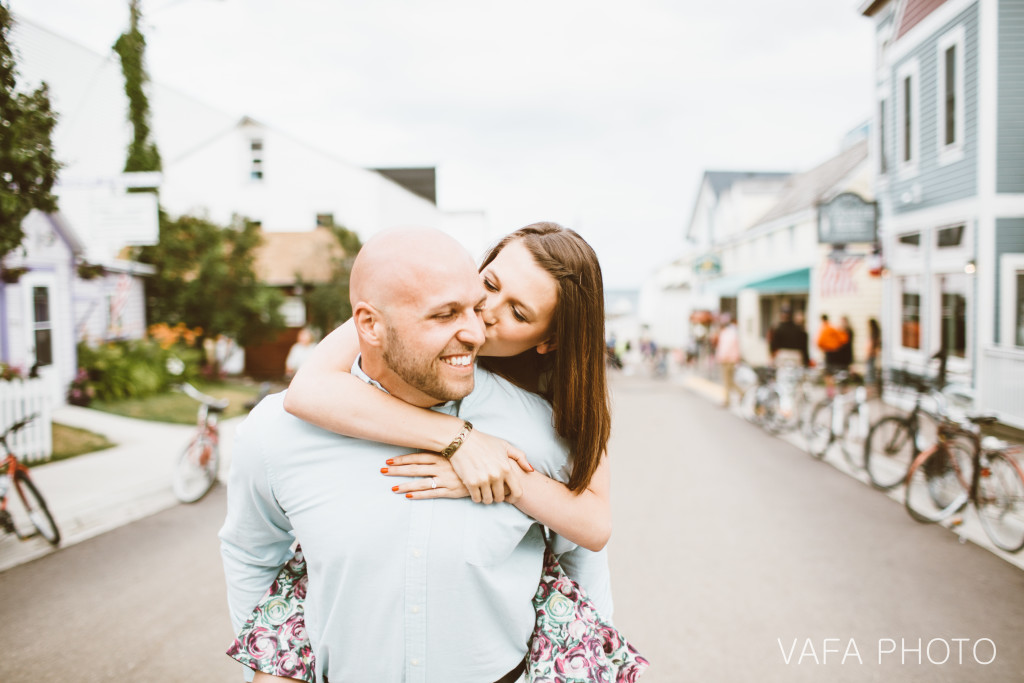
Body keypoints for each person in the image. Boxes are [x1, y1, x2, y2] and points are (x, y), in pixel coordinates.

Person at [221, 226, 616, 683]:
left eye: (518, 313)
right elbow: (308, 392)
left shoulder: (549, 427)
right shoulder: (284, 428)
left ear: (546, 341)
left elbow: (588, 538)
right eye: (486, 287)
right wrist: (460, 439)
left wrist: (510, 477)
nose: (481, 318)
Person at [715, 313, 741, 407]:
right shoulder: (733, 332)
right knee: (730, 381)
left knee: (727, 381)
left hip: (727, 360)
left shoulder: (726, 333)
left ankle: (727, 400)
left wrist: (720, 357)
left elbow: (723, 348)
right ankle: (741, 393)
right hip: (732, 359)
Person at [866, 317, 882, 395]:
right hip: (871, 355)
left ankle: (871, 390)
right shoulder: (873, 334)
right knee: (870, 371)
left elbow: (873, 345)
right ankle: (871, 389)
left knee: (870, 371)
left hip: (871, 355)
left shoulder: (874, 335)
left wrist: (869, 354)